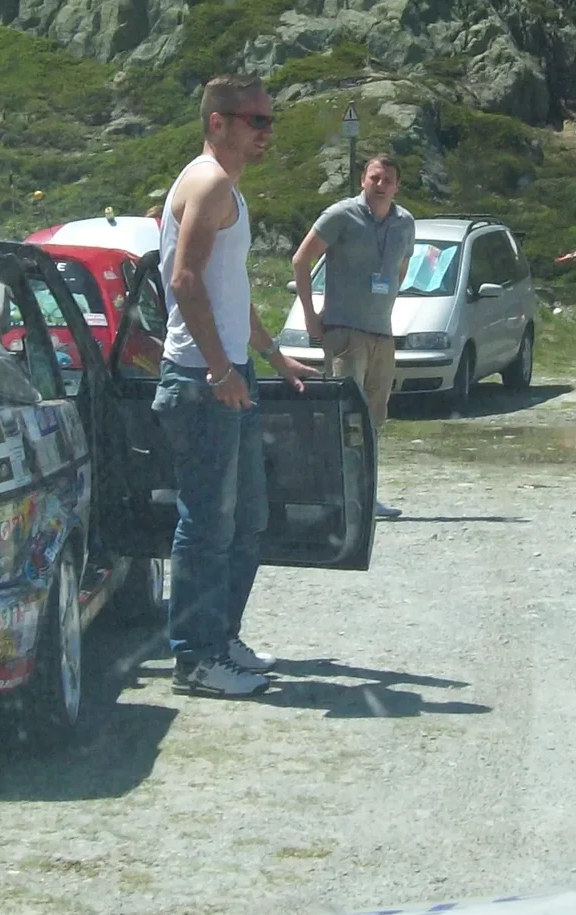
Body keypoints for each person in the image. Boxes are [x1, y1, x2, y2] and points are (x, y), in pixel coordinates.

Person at [156, 74, 318, 697]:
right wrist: (222, 369)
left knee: (247, 516)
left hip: (228, 374)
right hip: (201, 378)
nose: (267, 133)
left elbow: (231, 291)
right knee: (205, 524)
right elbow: (185, 281)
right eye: (257, 121)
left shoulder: (228, 191)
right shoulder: (208, 181)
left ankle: (220, 639)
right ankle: (195, 659)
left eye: (270, 121)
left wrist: (273, 357)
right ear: (218, 122)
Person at [291, 154, 413, 520]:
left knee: (374, 419)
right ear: (363, 179)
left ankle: (366, 496)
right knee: (344, 416)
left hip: (382, 334)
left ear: (397, 185)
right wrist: (312, 317)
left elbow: (400, 269)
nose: (381, 185)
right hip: (344, 333)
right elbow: (301, 260)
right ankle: (336, 496)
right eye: (375, 177)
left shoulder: (405, 223)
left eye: (388, 179)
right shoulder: (341, 215)